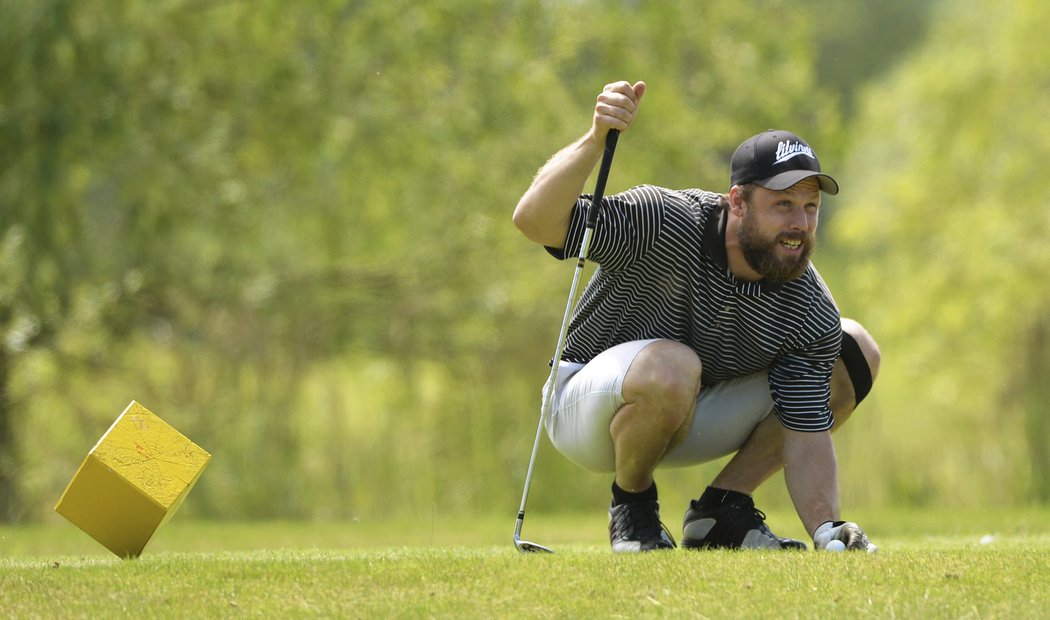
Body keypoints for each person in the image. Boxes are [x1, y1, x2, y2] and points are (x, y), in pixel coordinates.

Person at [512, 80, 881, 553]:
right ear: (737, 202)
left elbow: (807, 429)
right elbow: (534, 221)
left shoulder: (806, 301)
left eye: (810, 208)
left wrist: (827, 531)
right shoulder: (662, 220)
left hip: (695, 410)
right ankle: (633, 505)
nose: (799, 225)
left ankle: (721, 512)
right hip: (586, 406)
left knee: (853, 349)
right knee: (673, 366)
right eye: (783, 205)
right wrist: (594, 139)